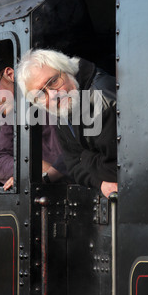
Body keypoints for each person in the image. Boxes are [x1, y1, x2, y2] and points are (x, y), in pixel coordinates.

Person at [17, 49, 118, 198]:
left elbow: (116, 169)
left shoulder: (103, 101)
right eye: (40, 94)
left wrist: (84, 157)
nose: (52, 95)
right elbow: (72, 164)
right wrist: (99, 182)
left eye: (53, 81)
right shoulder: (64, 108)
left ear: (68, 70)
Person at [0, 52, 67, 190]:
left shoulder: (52, 91)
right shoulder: (10, 114)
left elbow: (81, 146)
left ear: (10, 74)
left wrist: (50, 173)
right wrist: (30, 168)